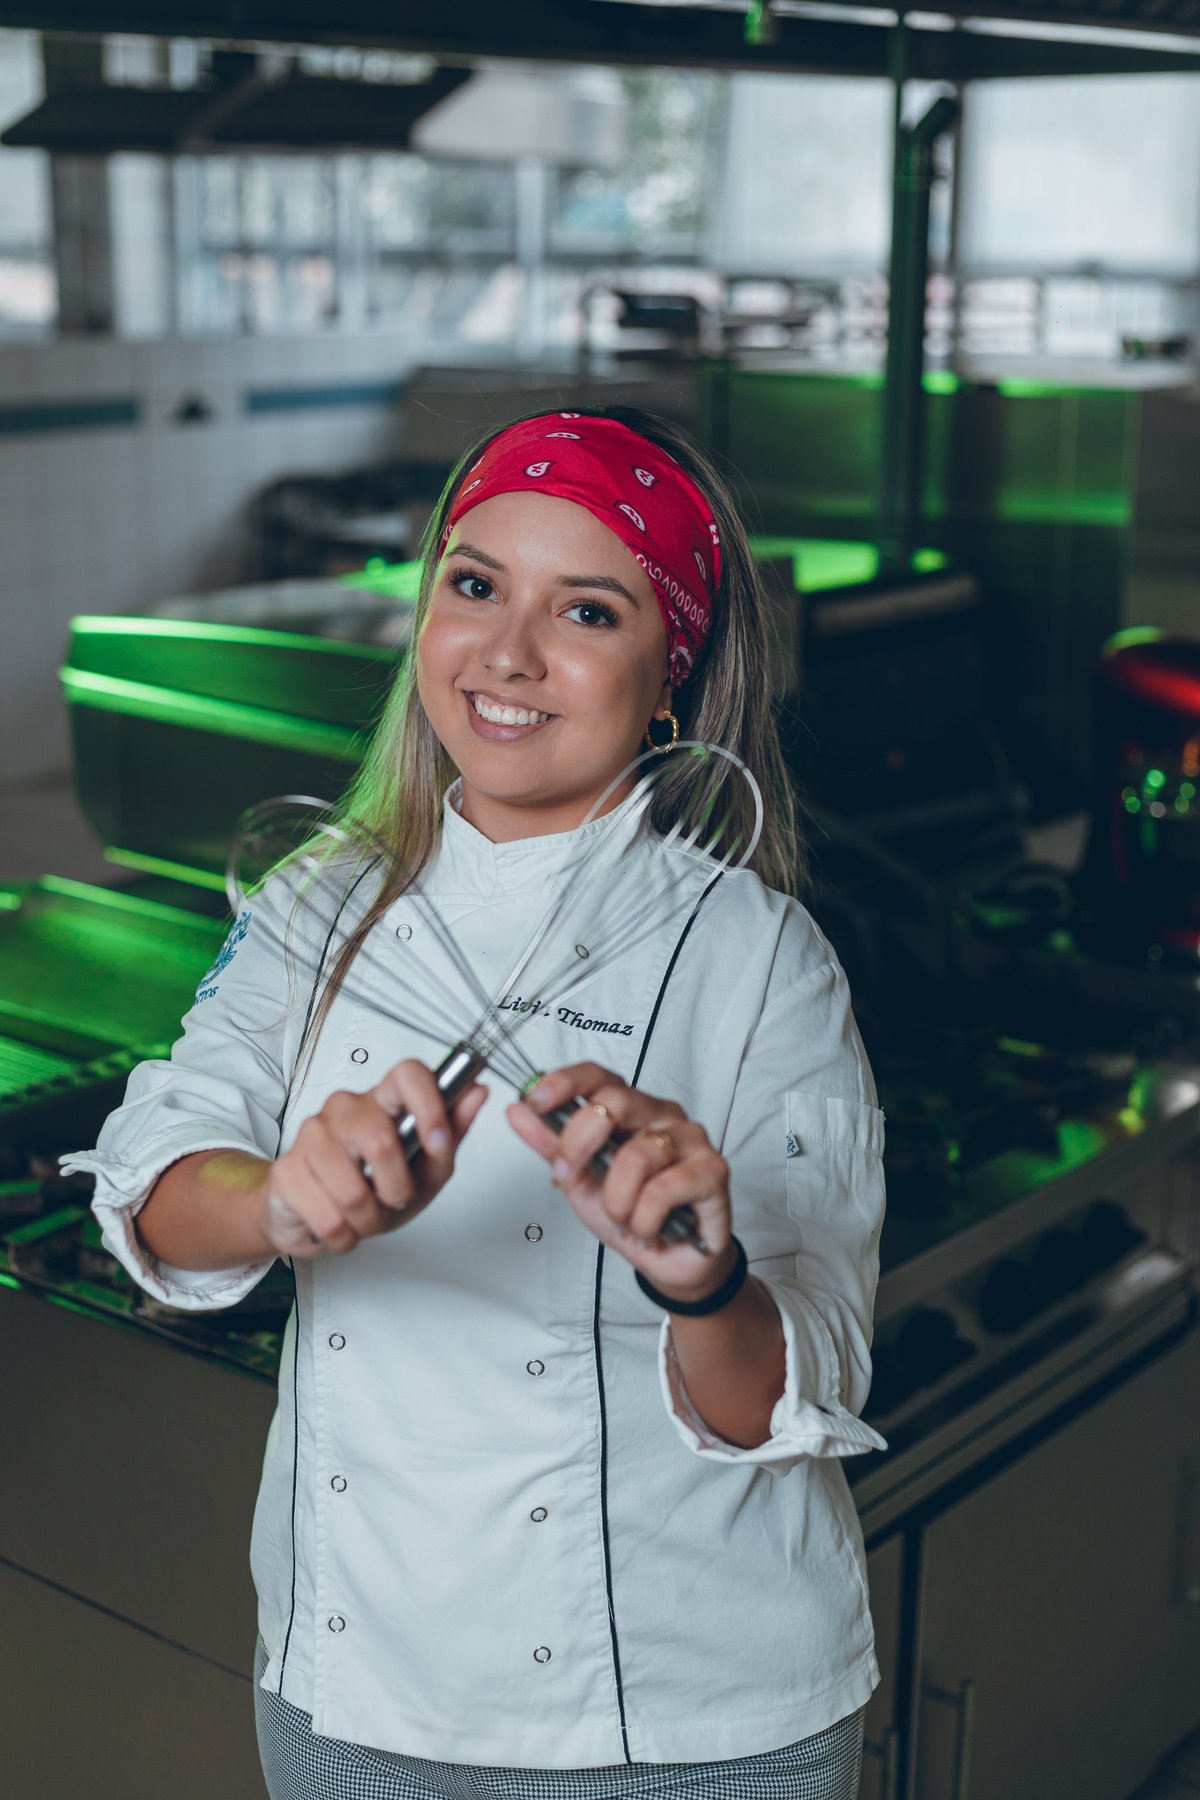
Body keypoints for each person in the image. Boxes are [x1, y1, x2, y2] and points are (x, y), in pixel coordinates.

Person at [64, 407, 888, 1800]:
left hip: (689, 1716)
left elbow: (795, 1393)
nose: (506, 654)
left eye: (585, 608)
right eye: (473, 583)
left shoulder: (757, 957)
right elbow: (153, 1180)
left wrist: (701, 1276)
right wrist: (277, 1198)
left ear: (668, 673)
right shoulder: (316, 900)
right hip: (358, 1681)